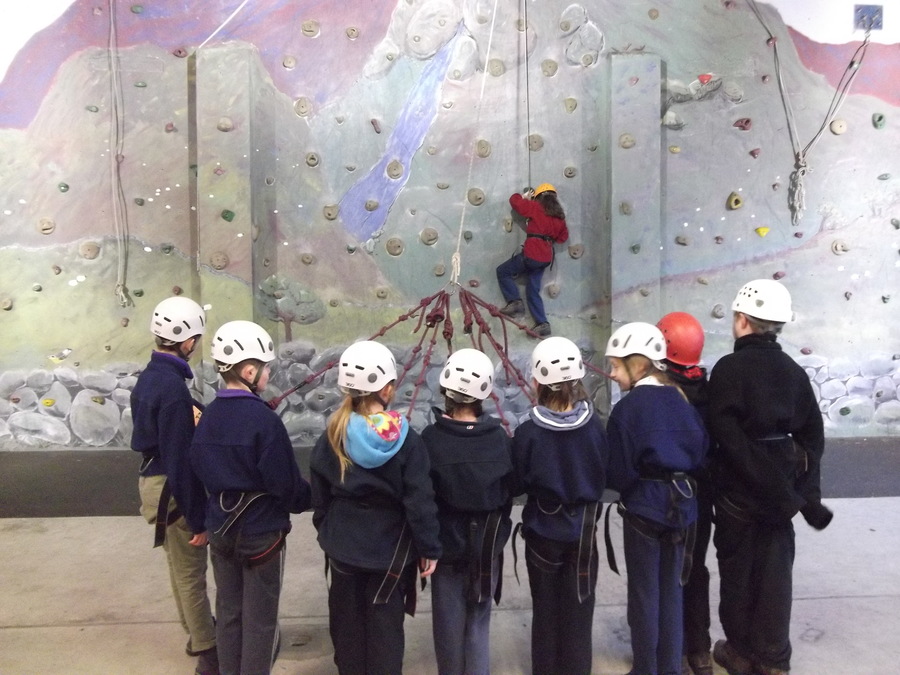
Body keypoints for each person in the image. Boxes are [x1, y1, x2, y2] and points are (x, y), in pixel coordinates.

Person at [707, 280, 832, 675]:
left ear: (742, 320)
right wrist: (800, 493)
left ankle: (741, 653)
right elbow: (813, 436)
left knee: (738, 576)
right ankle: (774, 659)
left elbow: (728, 439)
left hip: (739, 497)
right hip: (781, 499)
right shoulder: (794, 372)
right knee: (776, 577)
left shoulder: (728, 370)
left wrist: (782, 491)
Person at [309, 340, 442, 675]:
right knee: (385, 632)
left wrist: (328, 529)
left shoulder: (333, 434)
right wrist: (428, 547)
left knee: (347, 627)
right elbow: (419, 499)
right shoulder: (407, 440)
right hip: (390, 552)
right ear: (386, 388)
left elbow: (320, 493)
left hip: (343, 547)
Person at [190, 320, 311, 675]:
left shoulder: (208, 417)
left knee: (228, 613)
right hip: (262, 534)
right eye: (265, 367)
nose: (268, 373)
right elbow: (286, 485)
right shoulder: (264, 421)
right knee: (260, 621)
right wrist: (313, 496)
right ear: (248, 370)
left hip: (221, 531)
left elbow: (197, 468)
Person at [605, 322, 708, 675]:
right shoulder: (681, 401)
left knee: (645, 593)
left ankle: (645, 668)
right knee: (672, 591)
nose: (612, 374)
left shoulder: (628, 409)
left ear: (638, 364)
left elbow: (618, 471)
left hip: (645, 509)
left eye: (617, 366)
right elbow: (700, 450)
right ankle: (670, 668)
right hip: (683, 506)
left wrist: (633, 487)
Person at [130, 296, 219, 675]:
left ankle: (194, 632)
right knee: (190, 570)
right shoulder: (172, 390)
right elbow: (180, 461)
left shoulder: (151, 378)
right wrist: (198, 519)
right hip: (170, 485)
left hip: (153, 480)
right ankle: (208, 649)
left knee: (177, 566)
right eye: (195, 338)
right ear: (186, 342)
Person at [511, 336, 609, 675]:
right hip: (582, 533)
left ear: (537, 382)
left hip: (543, 532)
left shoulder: (528, 433)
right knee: (579, 608)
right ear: (578, 379)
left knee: (547, 611)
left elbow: (518, 482)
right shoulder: (595, 428)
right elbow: (602, 477)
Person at [421, 348, 514, 675]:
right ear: (484, 394)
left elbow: (424, 497)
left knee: (448, 624)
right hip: (487, 546)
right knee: (478, 620)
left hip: (446, 547)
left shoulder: (431, 439)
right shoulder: (499, 439)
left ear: (446, 389)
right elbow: (507, 494)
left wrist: (427, 544)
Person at [656, 312, 714, 675]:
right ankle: (699, 649)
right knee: (695, 568)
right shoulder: (708, 391)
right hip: (701, 497)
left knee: (664, 569)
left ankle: (666, 646)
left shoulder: (661, 394)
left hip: (666, 496)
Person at [496, 183, 569, 338]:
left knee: (503, 272)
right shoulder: (559, 218)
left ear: (538, 197)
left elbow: (514, 201)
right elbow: (563, 238)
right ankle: (542, 323)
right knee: (532, 289)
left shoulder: (536, 207)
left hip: (532, 254)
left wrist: (524, 198)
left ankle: (515, 302)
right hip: (545, 257)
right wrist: (547, 237)